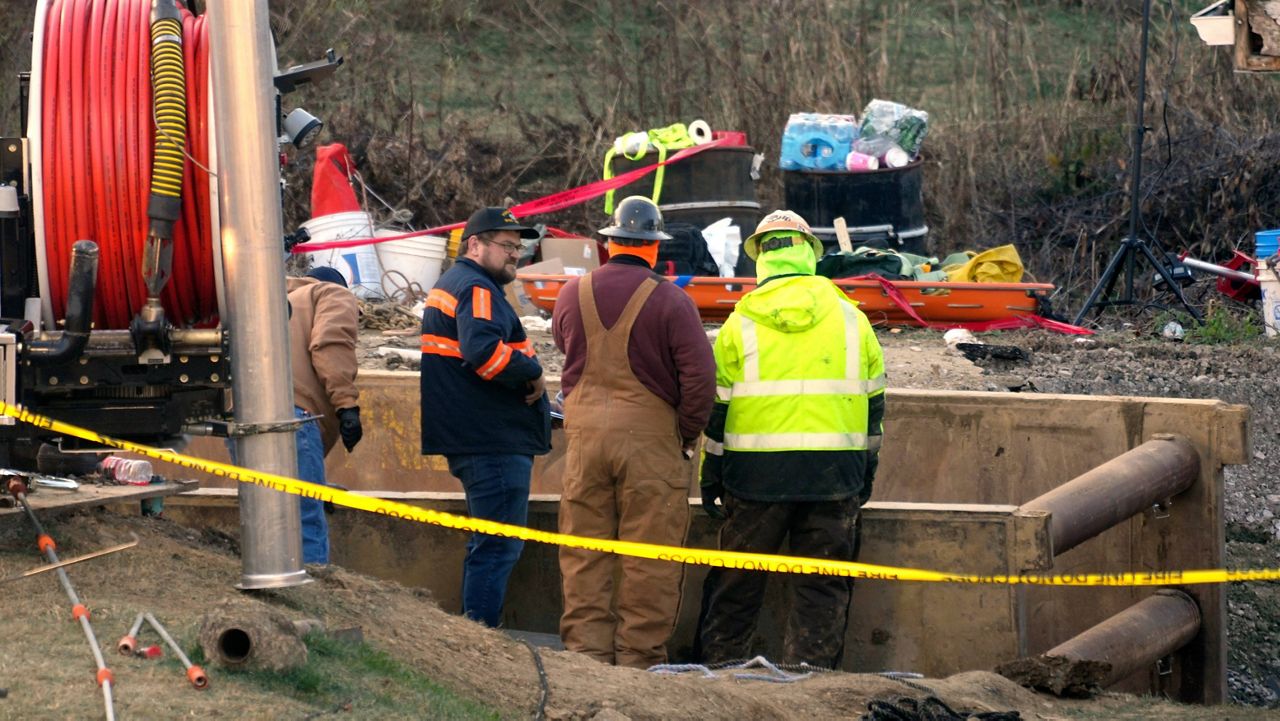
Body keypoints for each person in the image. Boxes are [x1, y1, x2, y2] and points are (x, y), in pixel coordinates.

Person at [698, 210, 885, 669]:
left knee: (736, 587)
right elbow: (874, 409)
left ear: (760, 256)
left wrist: (712, 474)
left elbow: (716, 414)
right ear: (810, 254)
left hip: (754, 478)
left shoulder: (738, 324)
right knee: (822, 590)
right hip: (833, 476)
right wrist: (865, 473)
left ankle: (720, 685)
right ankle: (812, 689)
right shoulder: (851, 320)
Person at [552, 196, 716, 668]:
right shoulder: (670, 299)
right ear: (653, 247)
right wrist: (683, 435)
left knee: (585, 553)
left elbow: (568, 351)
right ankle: (639, 665)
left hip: (583, 443)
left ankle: (586, 660)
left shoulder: (570, 294)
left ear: (608, 244)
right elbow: (700, 381)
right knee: (650, 560)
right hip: (649, 445)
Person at [420, 207, 551, 628]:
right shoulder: (477, 288)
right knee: (498, 546)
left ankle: (476, 635)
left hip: (475, 436)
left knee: (488, 544)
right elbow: (484, 353)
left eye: (519, 247)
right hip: (492, 440)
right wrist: (532, 372)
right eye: (506, 246)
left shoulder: (456, 283)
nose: (515, 255)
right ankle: (482, 639)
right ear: (474, 244)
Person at [286, 266, 363, 565]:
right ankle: (315, 598)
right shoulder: (333, 293)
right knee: (307, 519)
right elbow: (330, 345)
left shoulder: (271, 299)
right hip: (294, 419)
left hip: (241, 420)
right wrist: (347, 405)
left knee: (270, 514)